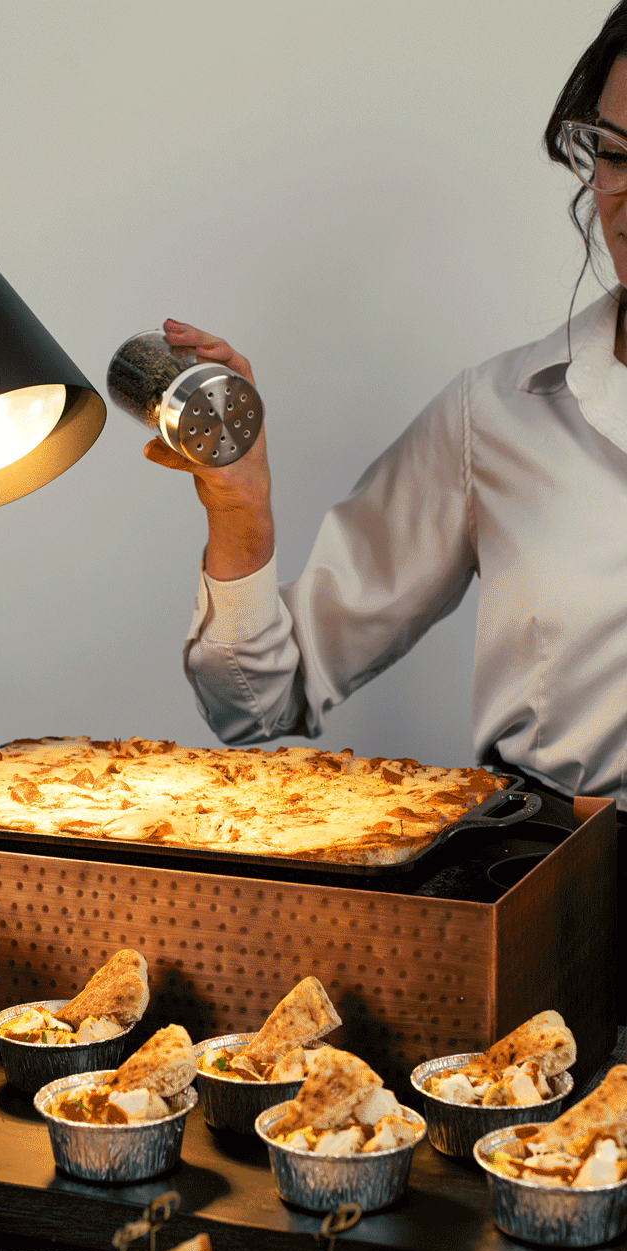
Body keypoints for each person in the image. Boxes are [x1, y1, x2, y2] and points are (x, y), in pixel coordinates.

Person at [146, 5, 627, 834]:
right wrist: (241, 515)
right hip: (557, 905)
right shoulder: (499, 413)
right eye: (617, 155)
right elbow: (257, 703)